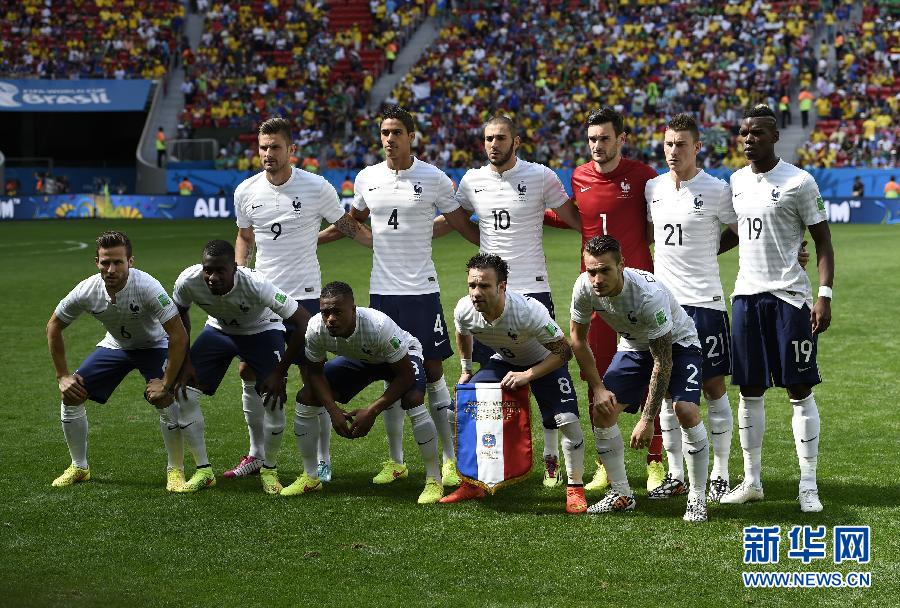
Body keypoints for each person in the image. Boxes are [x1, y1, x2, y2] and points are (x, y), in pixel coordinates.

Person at [320, 105, 480, 487]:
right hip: (383, 293)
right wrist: (315, 239)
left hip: (422, 292)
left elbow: (461, 224)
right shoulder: (367, 178)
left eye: (396, 132)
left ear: (411, 136)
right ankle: (396, 461)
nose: (389, 139)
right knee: (393, 370)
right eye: (384, 132)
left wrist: (495, 249)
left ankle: (448, 458)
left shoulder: (434, 178)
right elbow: (352, 220)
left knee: (434, 370)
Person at [232, 116, 371, 483]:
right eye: (263, 147)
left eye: (275, 147)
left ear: (291, 150)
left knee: (314, 376)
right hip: (262, 296)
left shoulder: (316, 187)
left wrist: (380, 242)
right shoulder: (245, 191)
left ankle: (323, 460)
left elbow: (345, 224)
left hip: (307, 298)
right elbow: (245, 236)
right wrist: (239, 269)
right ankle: (256, 454)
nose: (268, 154)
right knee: (249, 371)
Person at [450, 114, 582, 488]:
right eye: (488, 138)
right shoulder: (472, 181)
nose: (493, 144)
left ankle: (552, 456)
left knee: (548, 372)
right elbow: (458, 219)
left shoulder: (540, 175)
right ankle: (493, 464)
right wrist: (482, 247)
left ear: (516, 141)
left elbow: (573, 216)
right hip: (492, 294)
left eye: (500, 137)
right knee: (492, 383)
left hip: (533, 288)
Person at [544, 107, 665, 493]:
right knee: (593, 377)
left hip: (636, 292)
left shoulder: (644, 176)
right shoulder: (578, 176)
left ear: (621, 139)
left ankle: (656, 460)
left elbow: (656, 223)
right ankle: (603, 463)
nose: (597, 145)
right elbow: (575, 217)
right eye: (592, 138)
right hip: (596, 297)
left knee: (653, 374)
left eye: (605, 138)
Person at [721, 105, 835, 513]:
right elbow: (738, 233)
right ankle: (752, 481)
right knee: (749, 390)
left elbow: (822, 242)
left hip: (789, 297)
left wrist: (824, 295)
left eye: (757, 133)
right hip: (746, 297)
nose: (748, 139)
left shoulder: (800, 181)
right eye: (743, 132)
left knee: (798, 389)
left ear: (774, 137)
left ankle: (808, 483)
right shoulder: (734, 181)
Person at [570, 236, 709, 521]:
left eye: (605, 270)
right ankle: (621, 493)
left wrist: (647, 420)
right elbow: (578, 339)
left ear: (622, 265)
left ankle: (697, 497)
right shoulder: (584, 288)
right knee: (602, 411)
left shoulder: (647, 295)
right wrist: (598, 388)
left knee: (685, 410)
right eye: (591, 270)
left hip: (678, 345)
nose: (596, 279)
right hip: (634, 346)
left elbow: (663, 360)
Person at [46, 231, 195, 491]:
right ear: (97, 263)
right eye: (105, 263)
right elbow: (54, 326)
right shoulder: (87, 290)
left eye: (118, 262)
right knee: (71, 394)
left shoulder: (148, 286)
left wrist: (166, 382)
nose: (111, 269)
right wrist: (62, 376)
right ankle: (79, 467)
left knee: (164, 398)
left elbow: (178, 335)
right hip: (116, 346)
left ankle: (176, 470)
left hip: (154, 344)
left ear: (130, 262)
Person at [440, 254, 587, 514]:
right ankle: (472, 483)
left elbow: (564, 352)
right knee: (460, 408)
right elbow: (461, 332)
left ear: (502, 287)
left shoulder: (527, 312)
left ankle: (575, 488)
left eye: (484, 286)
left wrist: (529, 375)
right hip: (504, 361)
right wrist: (465, 370)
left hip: (545, 361)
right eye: (472, 285)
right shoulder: (465, 308)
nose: (476, 293)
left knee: (567, 420)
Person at [644, 113, 738, 503]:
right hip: (665, 306)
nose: (673, 151)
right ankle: (676, 473)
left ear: (697, 147)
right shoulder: (653, 188)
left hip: (705, 304)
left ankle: (720, 472)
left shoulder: (717, 190)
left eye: (681, 144)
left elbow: (739, 230)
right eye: (668, 144)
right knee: (665, 389)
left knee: (713, 387)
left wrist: (708, 251)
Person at [282, 281, 444, 504]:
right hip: (361, 358)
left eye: (337, 312)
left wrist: (372, 410)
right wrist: (333, 411)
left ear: (353, 310)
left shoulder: (378, 325)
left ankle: (434, 479)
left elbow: (404, 376)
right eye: (325, 312)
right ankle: (311, 476)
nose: (330, 318)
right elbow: (315, 374)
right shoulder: (315, 327)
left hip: (401, 357)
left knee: (413, 398)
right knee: (306, 396)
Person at [171, 240, 312, 494]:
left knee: (273, 399)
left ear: (234, 268)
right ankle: (203, 470)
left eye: (220, 271)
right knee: (184, 391)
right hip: (219, 330)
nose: (212, 277)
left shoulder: (257, 284)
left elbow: (304, 321)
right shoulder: (188, 280)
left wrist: (280, 372)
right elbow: (178, 315)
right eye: (208, 270)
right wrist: (185, 361)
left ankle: (269, 469)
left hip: (262, 329)